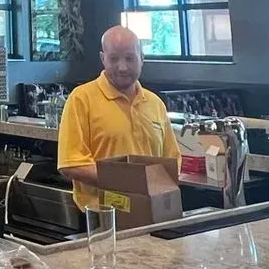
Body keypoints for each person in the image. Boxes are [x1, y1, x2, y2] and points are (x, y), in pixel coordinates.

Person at [55, 25, 178, 208]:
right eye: (114, 59)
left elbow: (172, 161)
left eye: (130, 58)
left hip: (152, 212)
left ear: (142, 59)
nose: (122, 67)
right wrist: (128, 181)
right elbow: (70, 164)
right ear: (102, 59)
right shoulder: (81, 99)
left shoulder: (155, 103)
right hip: (102, 217)